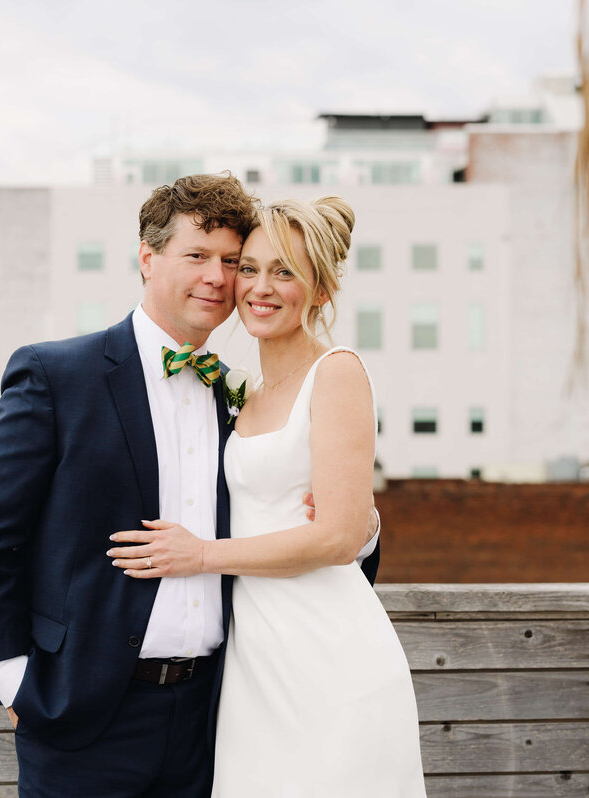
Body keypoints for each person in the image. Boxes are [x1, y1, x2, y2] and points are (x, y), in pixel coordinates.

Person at [0, 173, 380, 797]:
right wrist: (16, 685)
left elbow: (306, 527)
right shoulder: (56, 375)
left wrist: (362, 529)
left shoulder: (239, 397)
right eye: (197, 256)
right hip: (83, 716)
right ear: (148, 259)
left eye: (230, 262)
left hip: (219, 715)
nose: (216, 277)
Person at [109, 196, 427, 796]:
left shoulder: (337, 372)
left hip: (328, 652)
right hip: (252, 663)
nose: (259, 287)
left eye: (285, 271)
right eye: (249, 268)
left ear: (322, 290)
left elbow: (336, 537)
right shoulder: (242, 392)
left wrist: (202, 555)